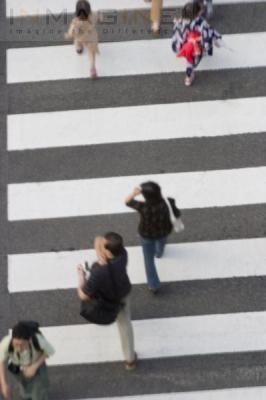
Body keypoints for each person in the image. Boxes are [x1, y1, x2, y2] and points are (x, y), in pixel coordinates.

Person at [76, 232, 136, 370]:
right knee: (125, 323)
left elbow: (83, 295)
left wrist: (80, 277)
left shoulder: (98, 272)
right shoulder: (123, 254)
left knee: (123, 325)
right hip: (123, 292)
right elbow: (98, 239)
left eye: (103, 246)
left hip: (108, 299)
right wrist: (101, 250)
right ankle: (130, 359)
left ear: (107, 252)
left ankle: (129, 358)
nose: (99, 246)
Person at [125, 182, 181, 293]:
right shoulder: (168, 202)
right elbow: (177, 214)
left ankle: (153, 284)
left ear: (145, 196)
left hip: (147, 235)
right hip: (164, 231)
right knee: (161, 243)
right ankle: (159, 253)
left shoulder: (143, 206)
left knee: (148, 260)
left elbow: (127, 201)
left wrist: (135, 193)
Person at [0, 321, 55, 400]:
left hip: (36, 364)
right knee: (24, 384)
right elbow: (1, 361)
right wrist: (3, 383)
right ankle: (27, 395)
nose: (19, 348)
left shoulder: (38, 340)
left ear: (29, 340)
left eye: (22, 345)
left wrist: (34, 367)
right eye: (16, 344)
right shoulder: (6, 342)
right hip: (17, 366)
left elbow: (49, 351)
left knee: (39, 390)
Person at [172, 1, 221, 86]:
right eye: (200, 11)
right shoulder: (200, 22)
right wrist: (216, 39)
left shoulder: (180, 21)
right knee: (191, 60)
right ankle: (189, 76)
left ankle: (188, 78)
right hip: (194, 46)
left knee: (188, 57)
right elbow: (208, 32)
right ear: (196, 14)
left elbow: (177, 29)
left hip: (180, 45)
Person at [65, 0, 100, 78]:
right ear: (89, 10)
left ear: (76, 12)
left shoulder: (75, 22)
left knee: (77, 39)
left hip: (81, 38)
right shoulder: (93, 15)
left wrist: (68, 35)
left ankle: (79, 49)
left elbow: (71, 32)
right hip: (91, 38)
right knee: (91, 53)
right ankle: (92, 69)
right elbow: (99, 18)